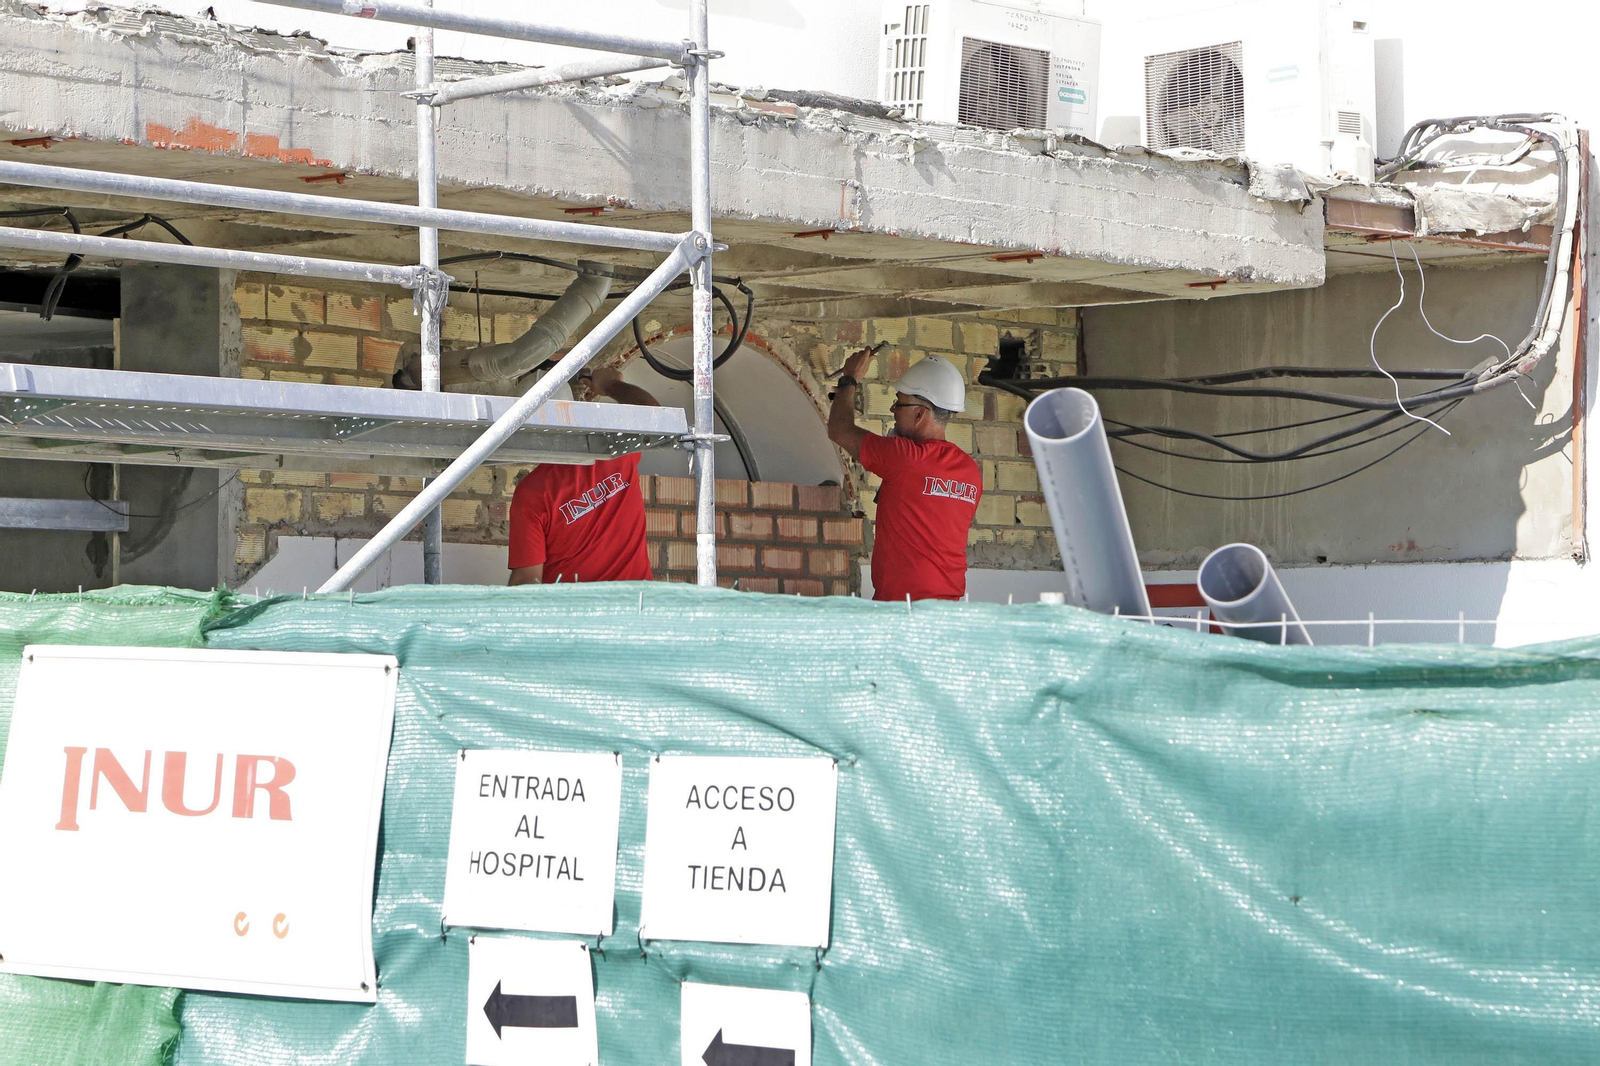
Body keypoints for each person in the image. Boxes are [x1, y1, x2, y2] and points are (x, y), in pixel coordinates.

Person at [827, 349, 981, 602]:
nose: (893, 409)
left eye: (899, 402)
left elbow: (839, 430)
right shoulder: (969, 471)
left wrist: (850, 378)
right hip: (948, 608)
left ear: (920, 414)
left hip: (902, 609)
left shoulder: (907, 458)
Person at [508, 366, 659, 586]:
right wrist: (610, 385)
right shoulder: (614, 453)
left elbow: (527, 581)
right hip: (636, 607)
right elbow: (653, 415)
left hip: (577, 615)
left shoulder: (531, 493)